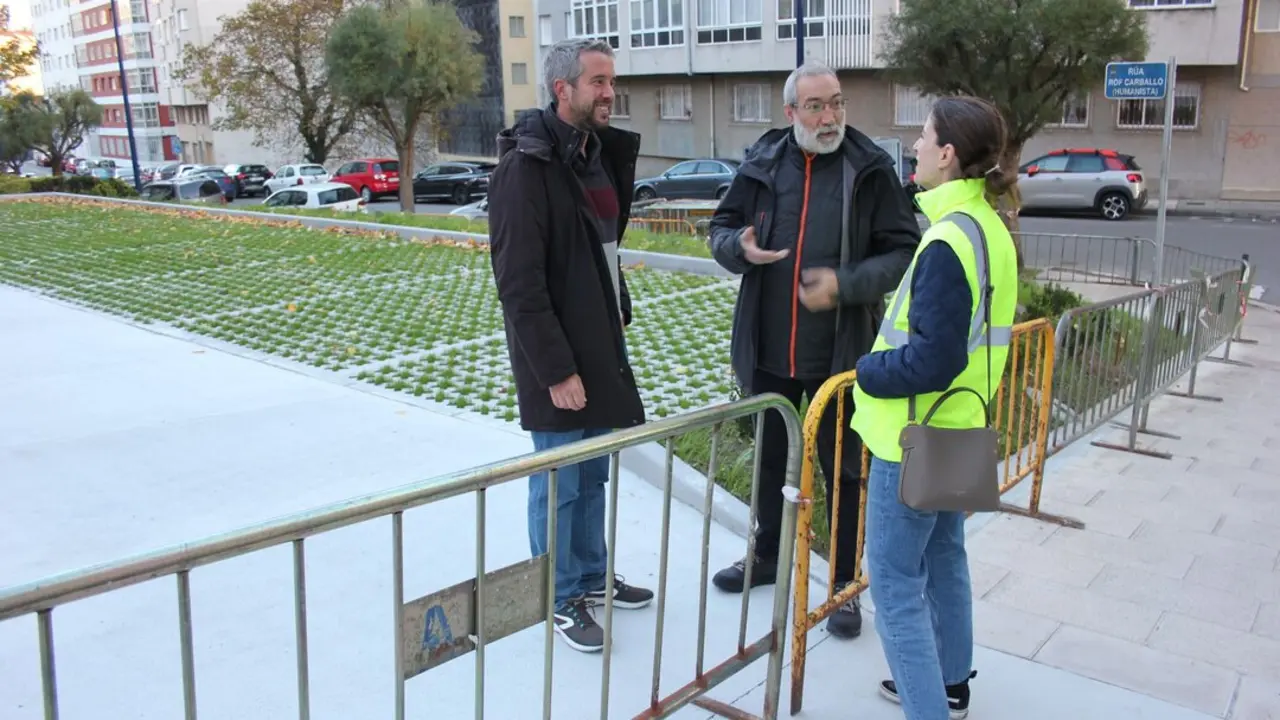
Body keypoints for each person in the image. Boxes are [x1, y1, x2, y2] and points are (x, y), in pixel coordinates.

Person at [707, 61, 920, 640]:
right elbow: (720, 227)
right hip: (769, 350)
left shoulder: (868, 168)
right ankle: (767, 556)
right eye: (816, 106)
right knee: (770, 462)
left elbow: (904, 251)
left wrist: (844, 285)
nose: (830, 117)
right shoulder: (763, 161)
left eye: (837, 103)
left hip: (840, 355)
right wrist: (738, 248)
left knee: (844, 470)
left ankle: (844, 584)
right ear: (791, 112)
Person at [852, 95, 1019, 719]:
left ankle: (931, 706)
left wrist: (867, 370)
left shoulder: (948, 240)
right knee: (946, 556)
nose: (915, 147)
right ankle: (951, 685)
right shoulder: (989, 227)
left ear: (947, 154)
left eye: (923, 137)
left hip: (914, 437)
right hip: (962, 423)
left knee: (895, 585)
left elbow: (933, 358)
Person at [487, 37, 654, 654]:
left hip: (600, 342)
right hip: (556, 356)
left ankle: (589, 576)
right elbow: (519, 284)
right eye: (598, 82)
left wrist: (617, 309)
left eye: (612, 81)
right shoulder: (525, 169)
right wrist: (556, 370)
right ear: (564, 90)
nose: (611, 92)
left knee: (592, 473)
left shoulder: (595, 154)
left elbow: (603, 248)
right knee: (559, 479)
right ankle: (557, 597)